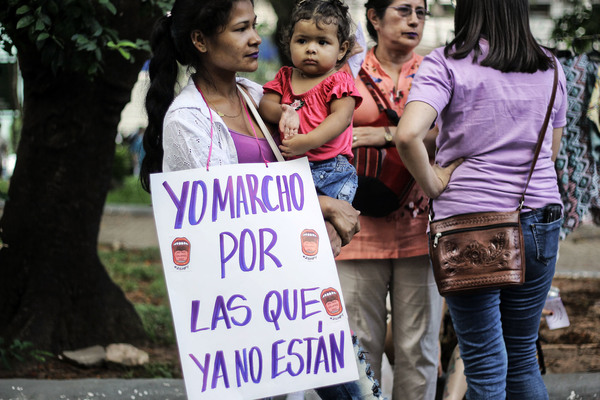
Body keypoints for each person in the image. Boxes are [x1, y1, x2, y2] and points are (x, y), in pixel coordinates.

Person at [139, 0, 382, 398]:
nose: (256, 39)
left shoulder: (258, 96)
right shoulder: (187, 121)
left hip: (298, 298)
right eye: (240, 29)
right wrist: (322, 206)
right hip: (244, 316)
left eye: (254, 26)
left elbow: (317, 135)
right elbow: (225, 219)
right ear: (200, 40)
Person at [395, 0, 567, 398]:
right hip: (539, 218)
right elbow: (550, 153)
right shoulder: (551, 67)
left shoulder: (445, 63)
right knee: (522, 353)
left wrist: (434, 182)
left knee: (485, 361)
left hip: (470, 227)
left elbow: (407, 135)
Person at [335, 1, 442, 399]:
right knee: (358, 347)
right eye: (402, 10)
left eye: (421, 11)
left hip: (422, 226)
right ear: (375, 18)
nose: (414, 19)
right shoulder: (346, 70)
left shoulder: (438, 70)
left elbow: (451, 130)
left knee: (419, 349)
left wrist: (386, 134)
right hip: (357, 228)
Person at [259, 0, 361, 203]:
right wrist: (285, 113)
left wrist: (308, 141)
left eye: (322, 42)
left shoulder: (338, 81)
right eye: (302, 41)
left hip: (331, 169)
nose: (311, 49)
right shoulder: (284, 77)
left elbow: (341, 118)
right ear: (290, 42)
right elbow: (265, 106)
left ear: (341, 49)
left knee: (327, 228)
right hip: (291, 169)